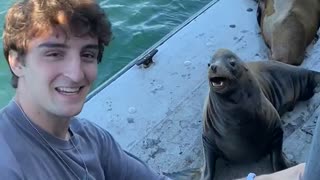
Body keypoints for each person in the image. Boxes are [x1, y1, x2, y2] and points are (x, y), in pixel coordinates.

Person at [0, 0, 169, 179]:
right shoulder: (7, 164)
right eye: (55, 54)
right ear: (17, 62)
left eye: (88, 55)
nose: (76, 74)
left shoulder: (91, 137)